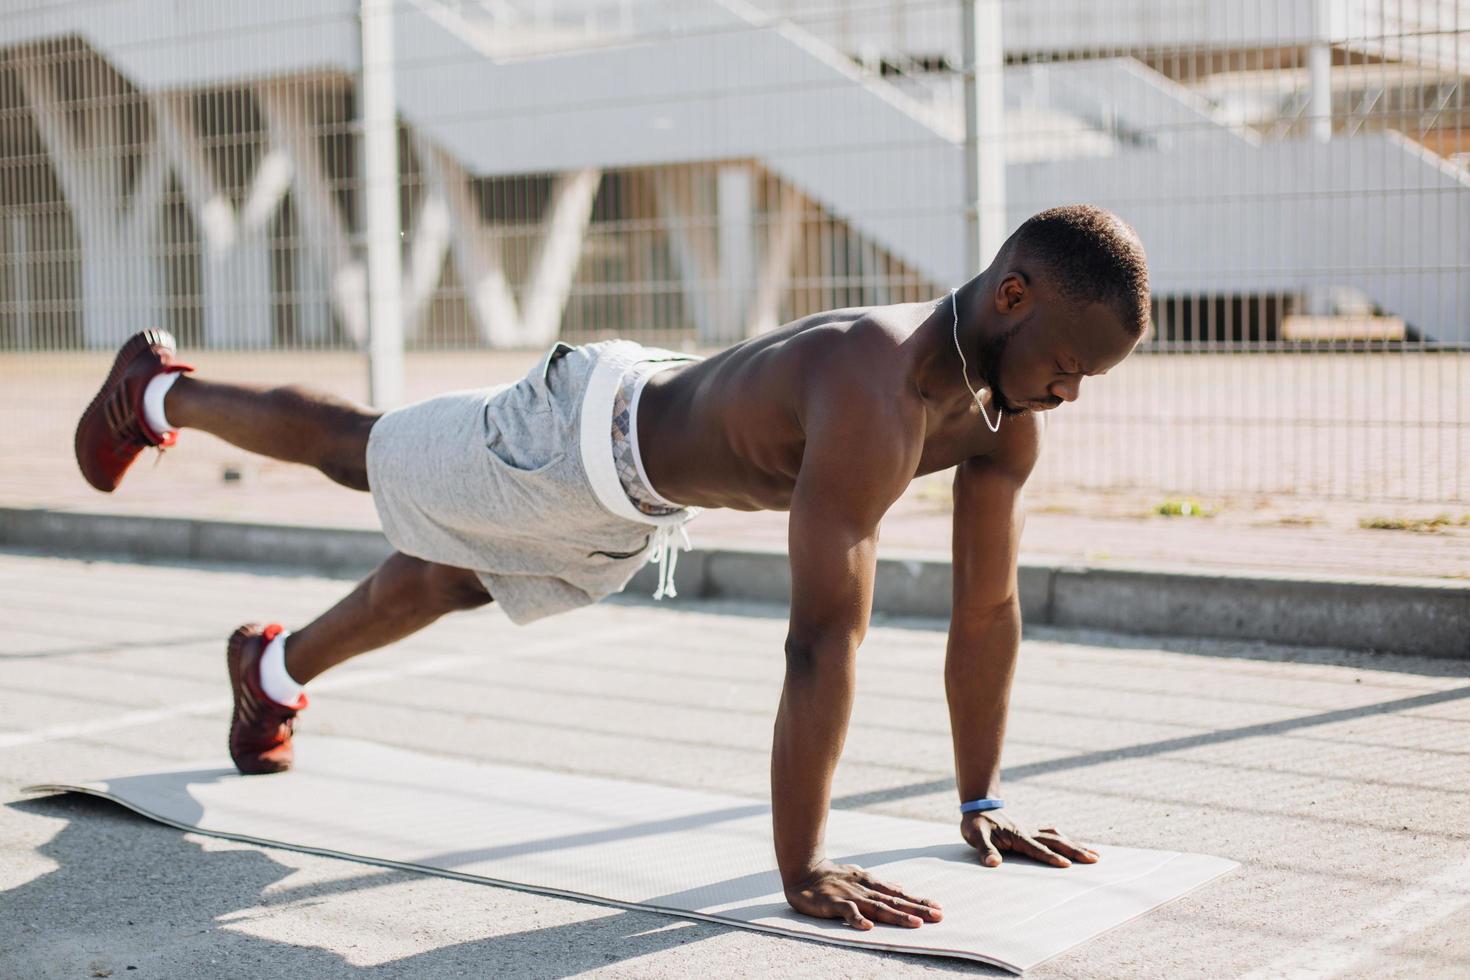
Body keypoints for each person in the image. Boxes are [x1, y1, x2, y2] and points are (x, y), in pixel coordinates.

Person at [74, 204, 1149, 933]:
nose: (1069, 395)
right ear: (1012, 296)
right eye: (1068, 365)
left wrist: (981, 795)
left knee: (447, 574)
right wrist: (802, 864)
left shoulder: (1001, 418)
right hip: (577, 433)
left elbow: (989, 606)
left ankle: (269, 669)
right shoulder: (876, 384)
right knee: (364, 452)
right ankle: (160, 391)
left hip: (630, 503)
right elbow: (823, 637)